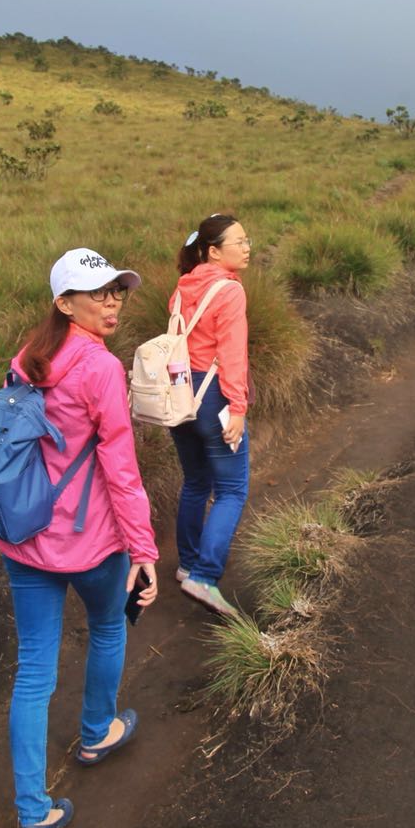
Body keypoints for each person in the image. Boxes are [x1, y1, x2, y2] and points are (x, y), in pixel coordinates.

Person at [0, 247, 160, 828]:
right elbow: (121, 471)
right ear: (65, 303)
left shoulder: (28, 358)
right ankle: (97, 732)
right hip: (91, 541)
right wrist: (143, 550)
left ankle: (33, 814)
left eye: (117, 291)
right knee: (109, 628)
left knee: (34, 672)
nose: (112, 301)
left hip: (24, 538)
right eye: (98, 293)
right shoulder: (99, 369)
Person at [169, 214, 252, 618]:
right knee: (233, 489)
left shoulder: (184, 284)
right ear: (214, 250)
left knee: (196, 482)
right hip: (214, 394)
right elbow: (232, 354)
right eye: (239, 241)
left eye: (247, 240)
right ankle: (204, 576)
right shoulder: (230, 291)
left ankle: (187, 564)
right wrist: (237, 407)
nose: (247, 246)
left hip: (179, 393)